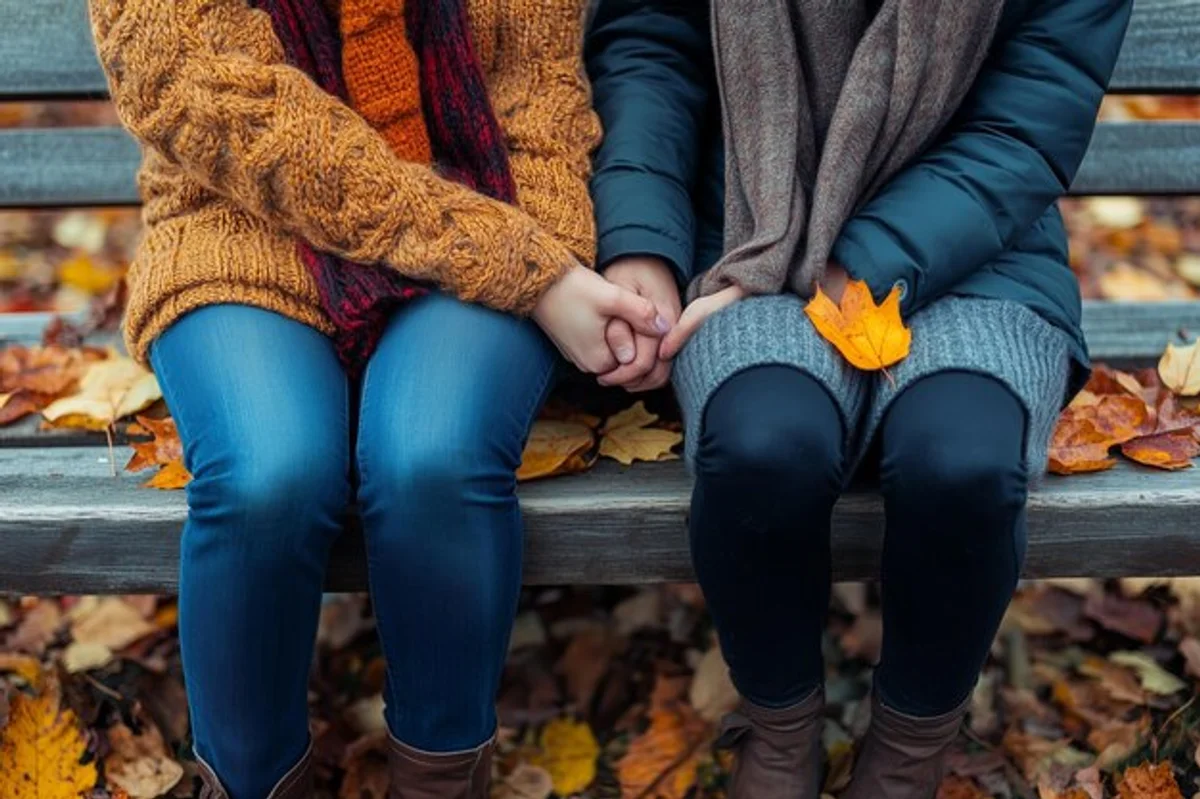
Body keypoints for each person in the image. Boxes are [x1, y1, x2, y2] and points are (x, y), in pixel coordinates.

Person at [87, 1, 670, 797]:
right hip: (243, 219)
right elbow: (207, 98)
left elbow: (537, 95)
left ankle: (439, 781)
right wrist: (524, 268)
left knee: (430, 456)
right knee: (270, 477)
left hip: (491, 206)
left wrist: (536, 250)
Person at [587, 1, 1133, 796]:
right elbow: (651, 41)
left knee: (964, 463)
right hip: (752, 227)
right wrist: (642, 238)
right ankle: (779, 732)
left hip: (978, 247)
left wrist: (843, 275)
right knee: (764, 445)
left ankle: (908, 754)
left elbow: (1022, 127)